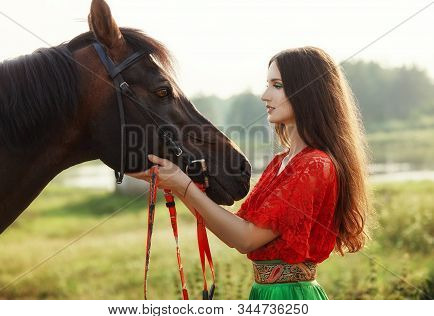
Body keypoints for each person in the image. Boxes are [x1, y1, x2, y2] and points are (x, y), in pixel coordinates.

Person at [129, 46, 371, 300]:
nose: (265, 95)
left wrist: (183, 185)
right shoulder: (282, 162)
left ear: (308, 91)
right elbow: (235, 231)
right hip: (263, 293)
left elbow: (245, 239)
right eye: (268, 84)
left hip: (290, 296)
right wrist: (179, 184)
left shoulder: (315, 166)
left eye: (277, 85)